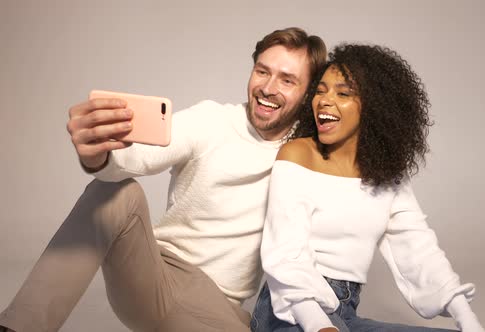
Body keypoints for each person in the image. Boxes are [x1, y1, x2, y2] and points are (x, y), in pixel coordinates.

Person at [0, 27, 327, 332]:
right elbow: (136, 157)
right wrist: (98, 155)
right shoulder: (212, 120)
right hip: (157, 278)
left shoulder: (304, 152)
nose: (268, 88)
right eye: (262, 71)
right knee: (117, 192)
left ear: (308, 93)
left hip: (219, 307)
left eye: (287, 80)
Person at [250, 44, 485, 332]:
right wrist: (319, 326)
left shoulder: (387, 175)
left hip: (345, 312)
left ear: (374, 106)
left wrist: (468, 320)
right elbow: (285, 252)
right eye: (321, 91)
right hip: (289, 311)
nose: (325, 100)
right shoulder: (298, 155)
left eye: (343, 93)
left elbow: (420, 252)